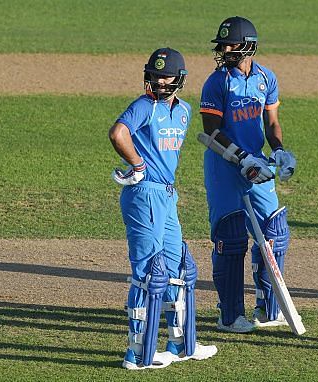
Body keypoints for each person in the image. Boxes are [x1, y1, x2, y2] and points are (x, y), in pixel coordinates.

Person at [109, 47, 217, 369]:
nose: (159, 80)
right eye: (155, 75)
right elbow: (118, 133)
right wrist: (138, 164)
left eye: (166, 75)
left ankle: (181, 344)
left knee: (178, 268)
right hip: (144, 194)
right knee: (147, 274)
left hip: (167, 196)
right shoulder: (144, 106)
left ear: (179, 79)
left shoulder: (183, 111)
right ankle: (137, 354)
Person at [199, 16, 297, 333]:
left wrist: (279, 149)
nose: (224, 50)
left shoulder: (265, 79)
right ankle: (229, 315)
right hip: (225, 167)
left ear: (249, 46)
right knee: (231, 237)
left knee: (274, 232)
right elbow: (210, 132)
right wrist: (241, 158)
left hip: (259, 166)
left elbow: (271, 123)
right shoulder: (217, 82)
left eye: (231, 44)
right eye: (222, 45)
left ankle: (269, 310)